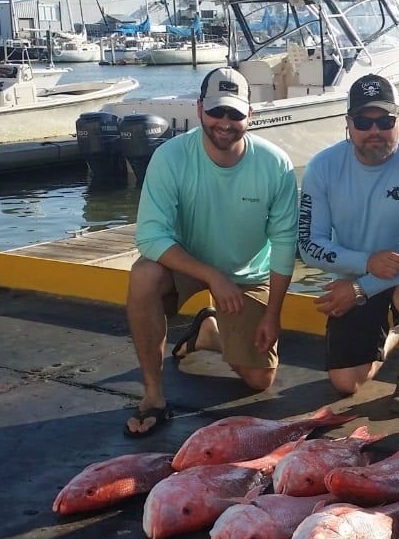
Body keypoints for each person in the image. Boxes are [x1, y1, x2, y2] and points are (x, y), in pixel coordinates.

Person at [125, 67, 299, 437]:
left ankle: (208, 334)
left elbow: (285, 242)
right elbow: (150, 236)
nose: (225, 122)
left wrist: (273, 314)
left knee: (260, 380)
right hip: (188, 265)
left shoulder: (275, 164)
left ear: (250, 115)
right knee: (143, 275)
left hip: (247, 273)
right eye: (217, 111)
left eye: (235, 113)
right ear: (200, 108)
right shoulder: (170, 157)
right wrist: (211, 276)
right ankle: (154, 395)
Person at [298, 73, 399, 415]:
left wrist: (362, 288)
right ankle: (398, 333)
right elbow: (309, 244)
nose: (374, 130)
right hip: (358, 271)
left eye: (385, 121)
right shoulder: (321, 168)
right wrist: (365, 265)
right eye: (364, 121)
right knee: (345, 384)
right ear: (348, 124)